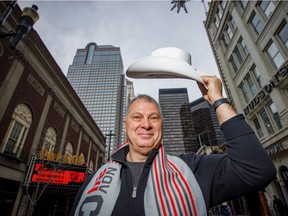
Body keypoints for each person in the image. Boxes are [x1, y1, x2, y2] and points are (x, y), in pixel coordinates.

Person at [70, 75, 276, 216]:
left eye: (154, 118)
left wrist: (217, 99)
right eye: (137, 117)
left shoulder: (191, 168)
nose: (146, 124)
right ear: (125, 125)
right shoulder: (95, 181)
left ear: (161, 125)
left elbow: (257, 169)